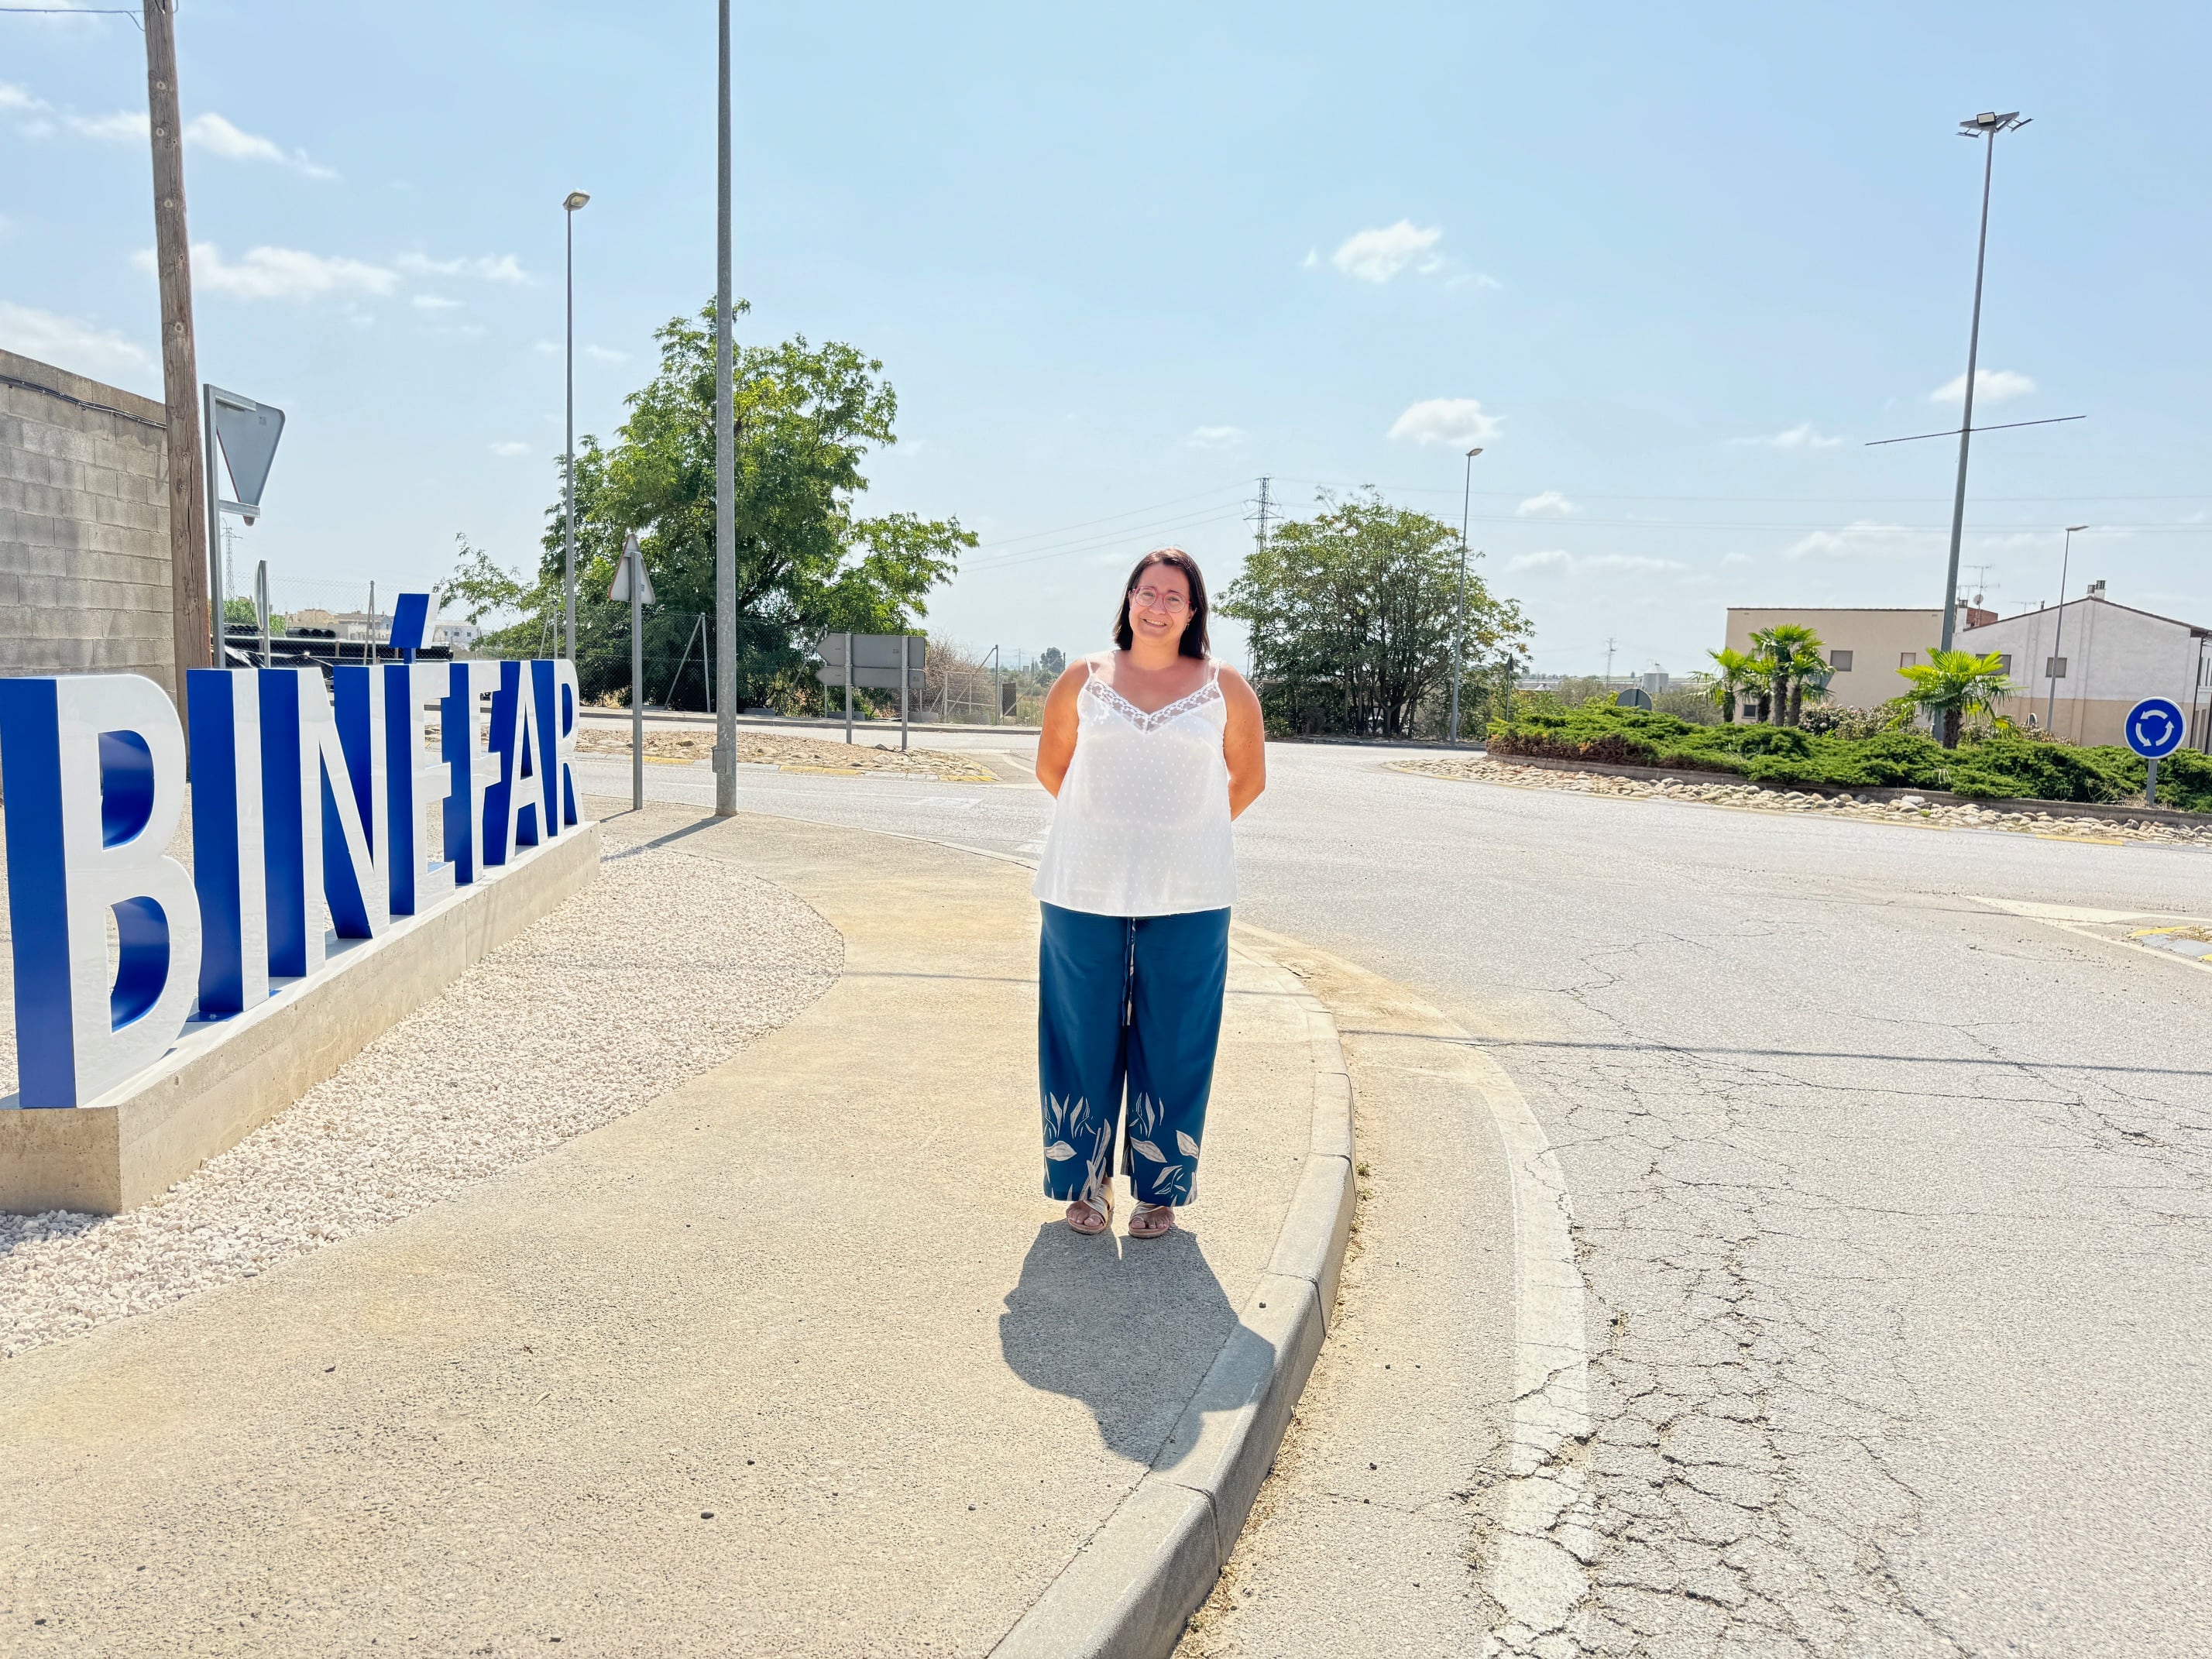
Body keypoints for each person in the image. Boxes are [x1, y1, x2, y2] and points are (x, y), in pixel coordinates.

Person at [1030, 548, 1266, 1239]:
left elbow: (1247, 781)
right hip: (1083, 883)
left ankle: (1158, 1189)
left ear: (1193, 612)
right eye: (1147, 592)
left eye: (1173, 597)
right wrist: (1107, 832)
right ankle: (1086, 1183)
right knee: (1081, 1032)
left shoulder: (1226, 687)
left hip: (1192, 889)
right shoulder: (1084, 677)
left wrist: (1183, 836)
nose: (1157, 606)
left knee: (1177, 1035)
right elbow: (1053, 767)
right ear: (1128, 599)